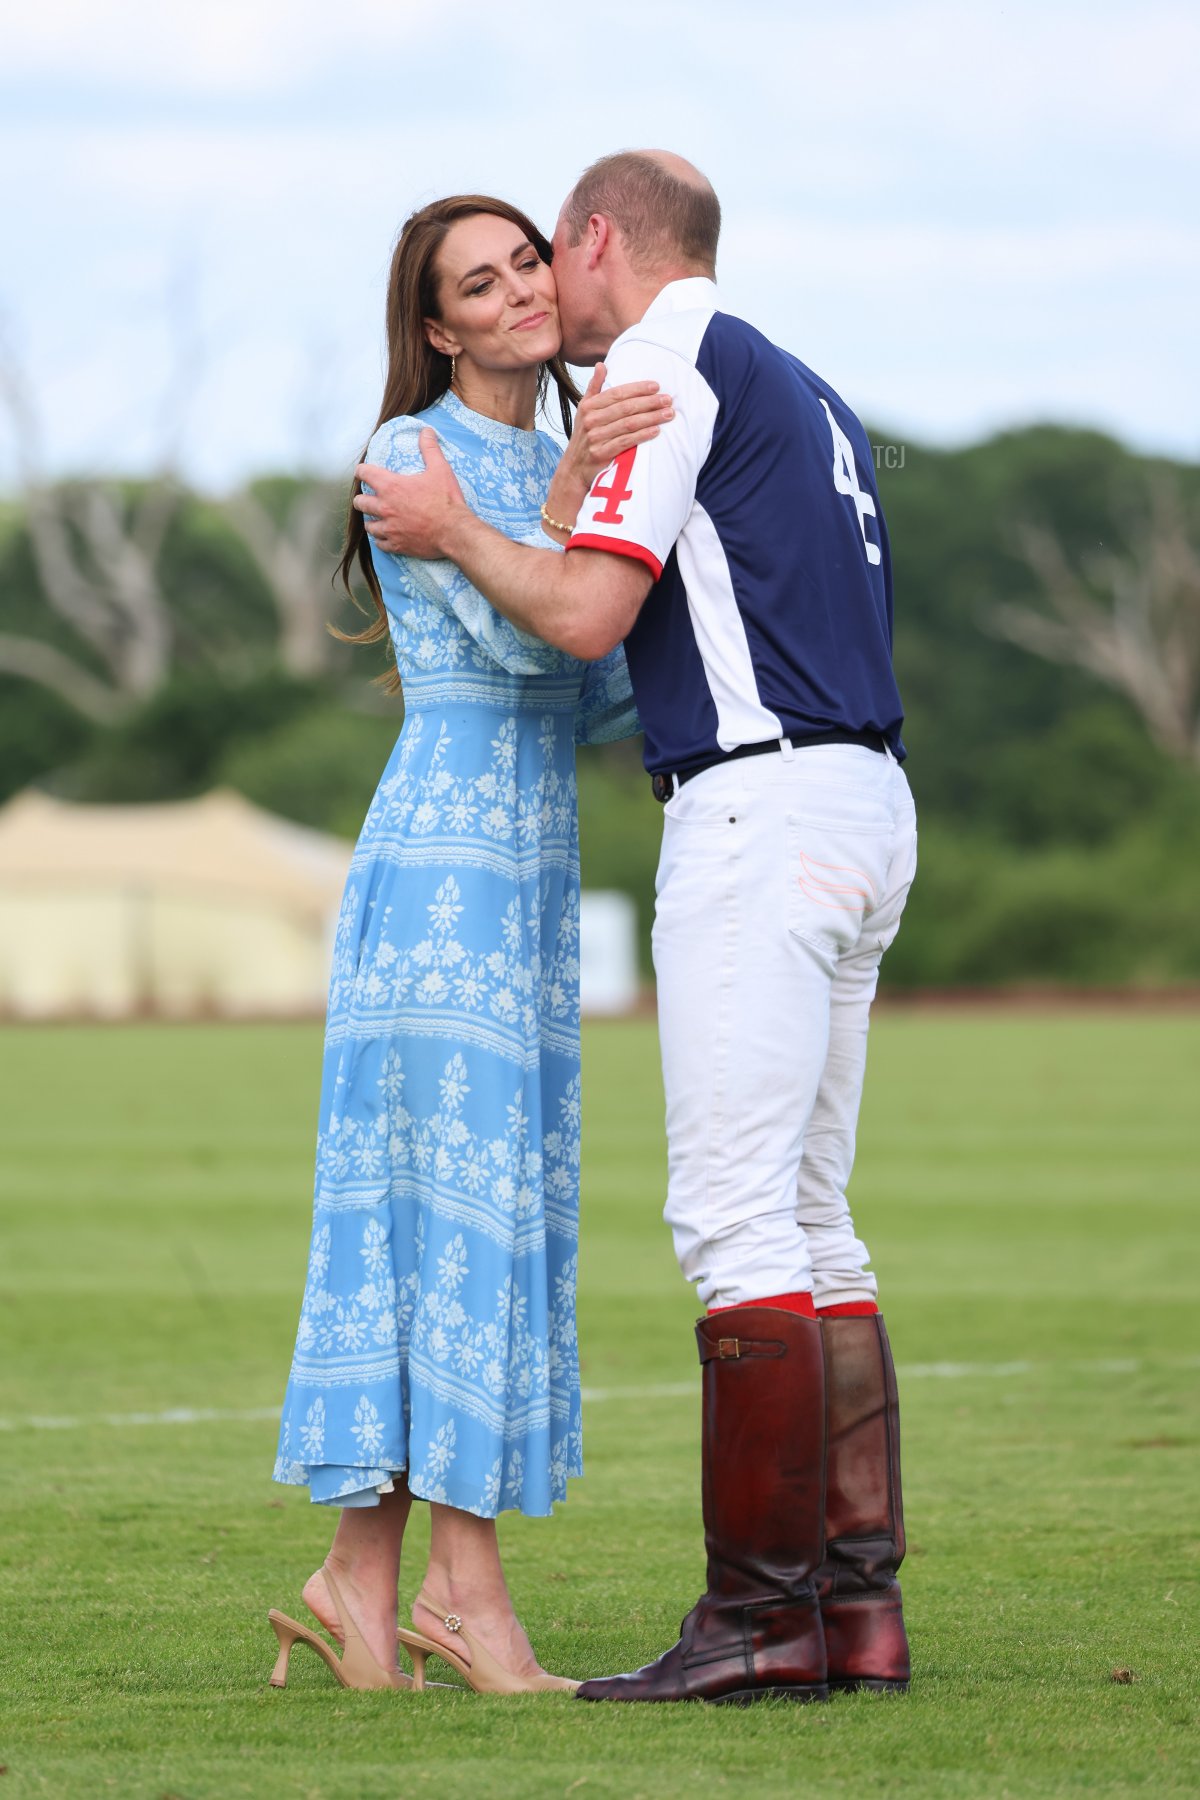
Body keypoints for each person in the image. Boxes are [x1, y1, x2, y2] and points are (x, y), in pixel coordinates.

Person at [355, 150, 918, 1706]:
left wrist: (467, 530)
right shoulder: (803, 380)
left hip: (762, 809)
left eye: (548, 256)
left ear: (598, 241)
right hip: (870, 794)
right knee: (815, 1220)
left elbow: (591, 623)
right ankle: (855, 1616)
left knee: (739, 1227)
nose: (545, 291)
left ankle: (761, 1620)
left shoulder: (663, 368)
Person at [269, 193, 670, 1696]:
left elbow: (608, 682)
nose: (513, 296)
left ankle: (359, 1590)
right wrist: (565, 505)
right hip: (439, 861)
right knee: (447, 1213)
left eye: (525, 268)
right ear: (435, 324)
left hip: (534, 860)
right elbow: (521, 641)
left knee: (474, 1210)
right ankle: (467, 1605)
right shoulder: (407, 456)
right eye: (476, 283)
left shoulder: (579, 445)